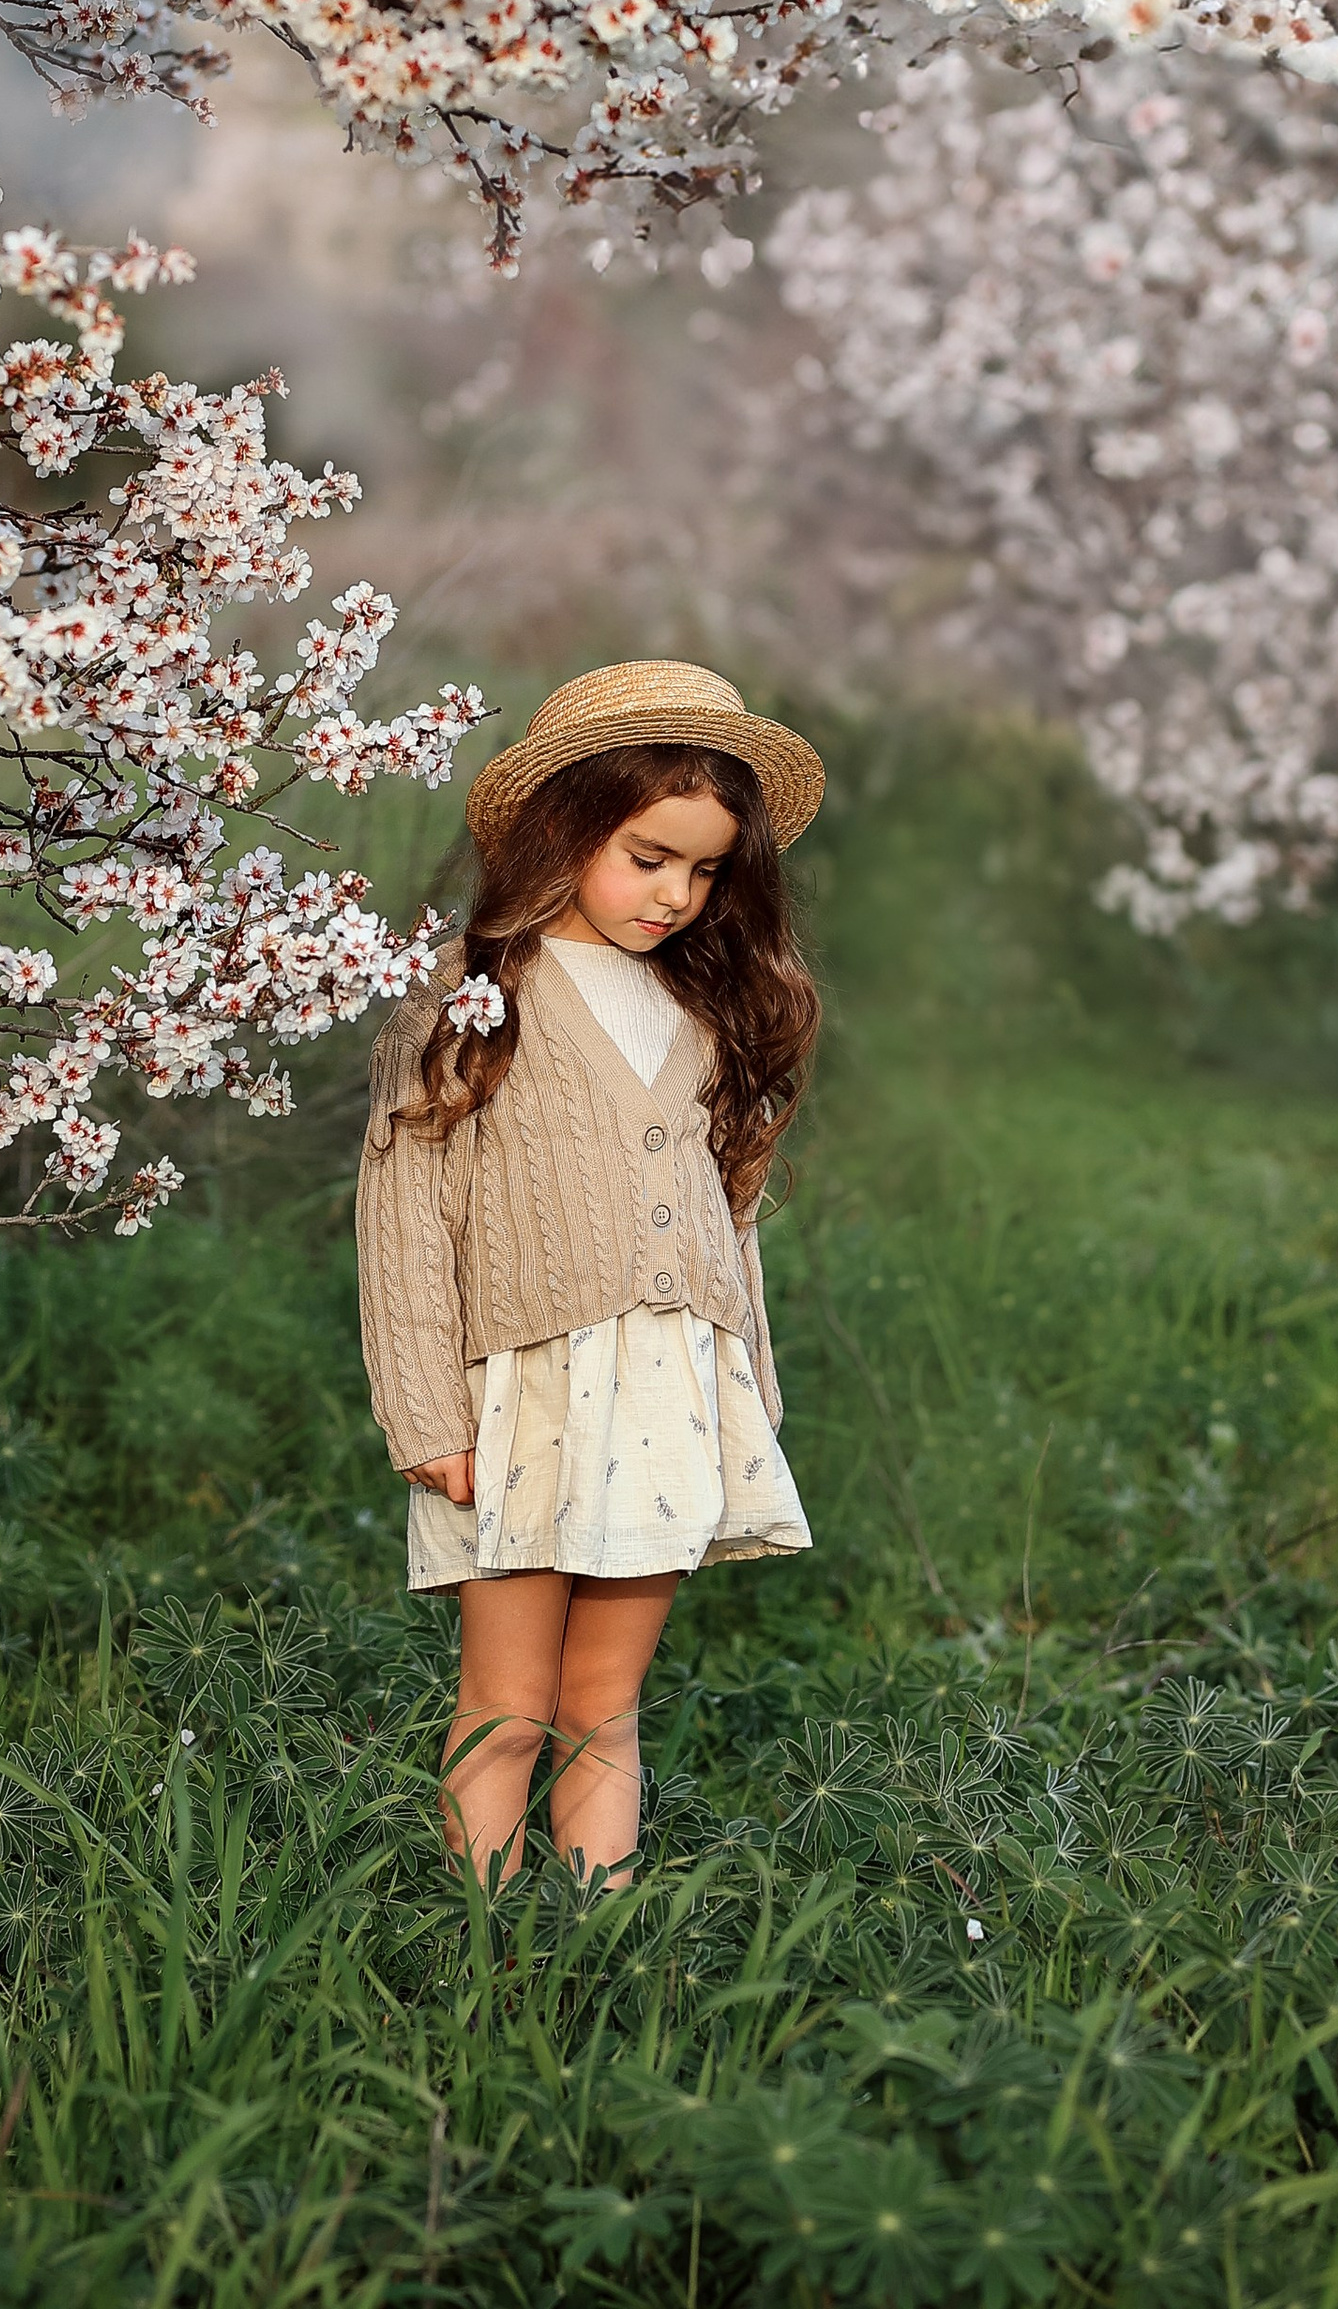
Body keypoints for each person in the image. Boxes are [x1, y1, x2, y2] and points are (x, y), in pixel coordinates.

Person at [356, 659, 823, 1892]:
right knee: (507, 1703)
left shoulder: (705, 1009)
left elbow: (731, 1224)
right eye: (648, 857)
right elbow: (405, 1219)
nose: (676, 894)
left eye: (705, 870)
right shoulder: (467, 1003)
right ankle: (477, 1943)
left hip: (671, 1388)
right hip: (526, 1395)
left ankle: (594, 1942)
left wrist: (749, 1390)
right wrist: (424, 1411)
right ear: (565, 831)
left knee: (601, 1704)